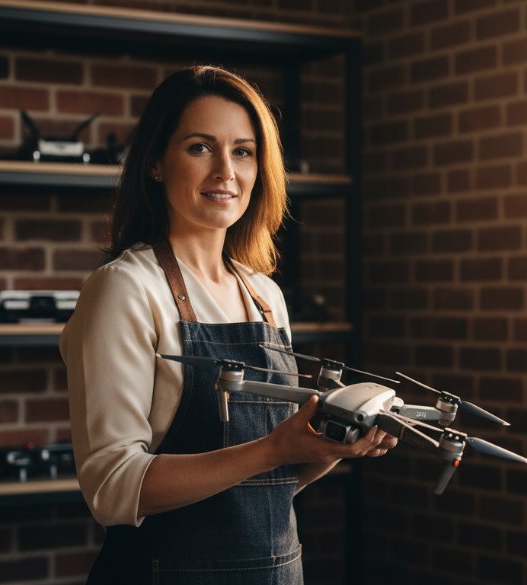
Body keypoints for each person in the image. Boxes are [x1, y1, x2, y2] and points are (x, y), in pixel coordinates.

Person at [59, 65, 397, 584]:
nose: (226, 171)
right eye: (200, 147)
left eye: (243, 151)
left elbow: (268, 481)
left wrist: (328, 447)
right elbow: (112, 487)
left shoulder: (265, 296)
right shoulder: (125, 289)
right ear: (154, 162)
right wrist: (272, 448)